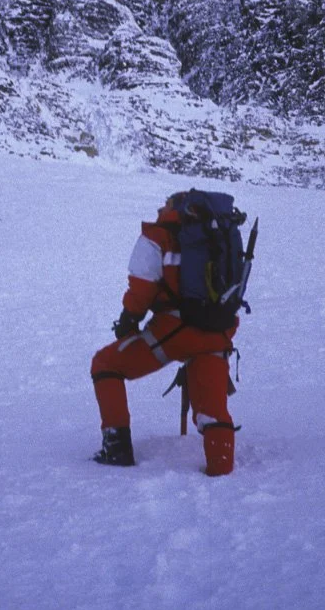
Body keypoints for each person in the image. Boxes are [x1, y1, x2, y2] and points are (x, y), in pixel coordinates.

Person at [90, 192, 239, 476]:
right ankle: (222, 472)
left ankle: (116, 448)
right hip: (217, 332)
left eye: (166, 202)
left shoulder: (158, 235)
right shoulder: (220, 235)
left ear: (175, 206)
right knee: (212, 411)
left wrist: (128, 322)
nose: (160, 206)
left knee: (105, 364)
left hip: (175, 332)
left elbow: (141, 289)